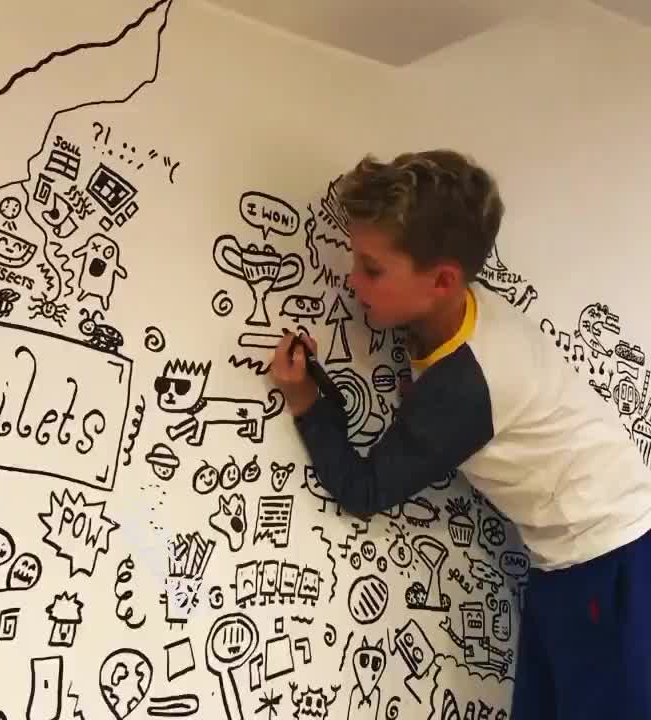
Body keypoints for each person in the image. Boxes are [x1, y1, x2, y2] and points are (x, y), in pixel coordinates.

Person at [270, 150, 651, 719]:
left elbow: (364, 489)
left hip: (608, 559)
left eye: (372, 269)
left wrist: (304, 399)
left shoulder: (466, 384)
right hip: (575, 556)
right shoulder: (462, 312)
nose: (352, 280)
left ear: (443, 279)